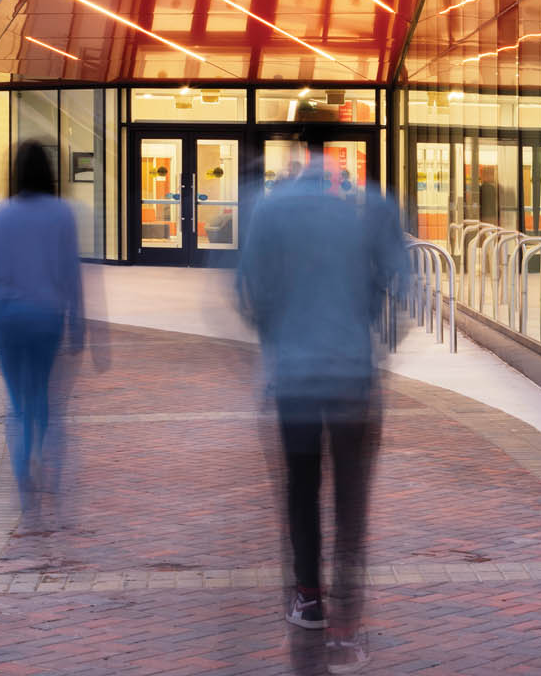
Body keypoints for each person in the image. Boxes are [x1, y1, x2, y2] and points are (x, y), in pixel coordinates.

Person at [236, 131, 408, 673]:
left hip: (293, 378)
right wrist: (376, 340)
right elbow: (403, 286)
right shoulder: (370, 208)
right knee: (351, 502)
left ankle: (309, 596)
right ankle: (347, 626)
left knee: (302, 489)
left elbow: (249, 293)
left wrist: (277, 338)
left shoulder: (269, 210)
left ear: (295, 157)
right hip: (353, 377)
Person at [0, 138, 85, 518]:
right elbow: (72, 274)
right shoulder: (62, 214)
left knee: (18, 404)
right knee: (46, 400)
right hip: (47, 317)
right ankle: (51, 473)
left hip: (6, 318)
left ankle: (24, 478)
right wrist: (81, 327)